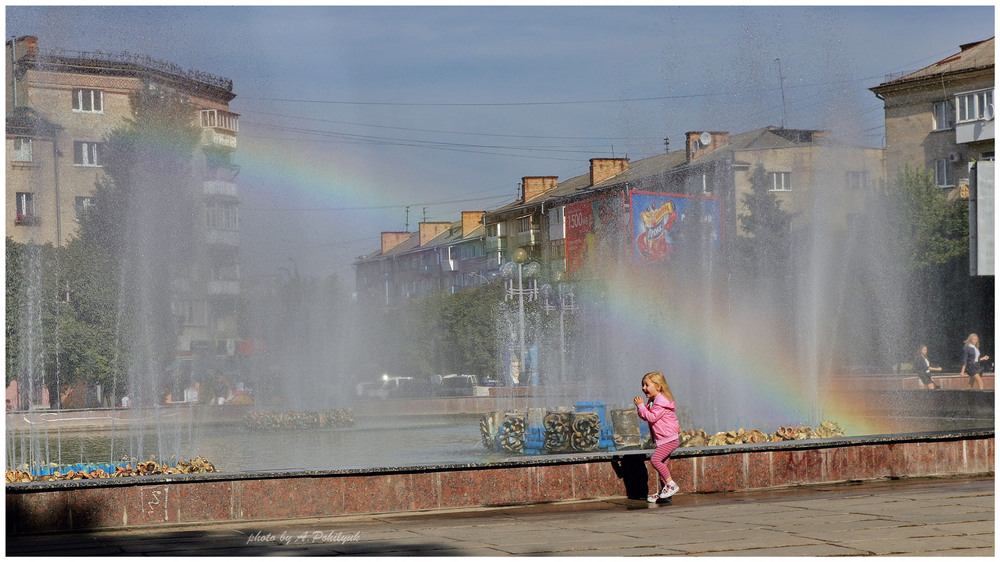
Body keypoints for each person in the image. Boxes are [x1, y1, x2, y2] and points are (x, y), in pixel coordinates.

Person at [634, 371, 681, 503]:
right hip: (664, 439)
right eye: (643, 385)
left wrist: (640, 406)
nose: (644, 388)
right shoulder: (653, 401)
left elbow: (652, 417)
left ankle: (671, 484)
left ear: (658, 387)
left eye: (647, 385)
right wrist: (642, 408)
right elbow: (646, 416)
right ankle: (665, 495)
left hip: (669, 439)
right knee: (662, 467)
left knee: (655, 460)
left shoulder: (661, 402)